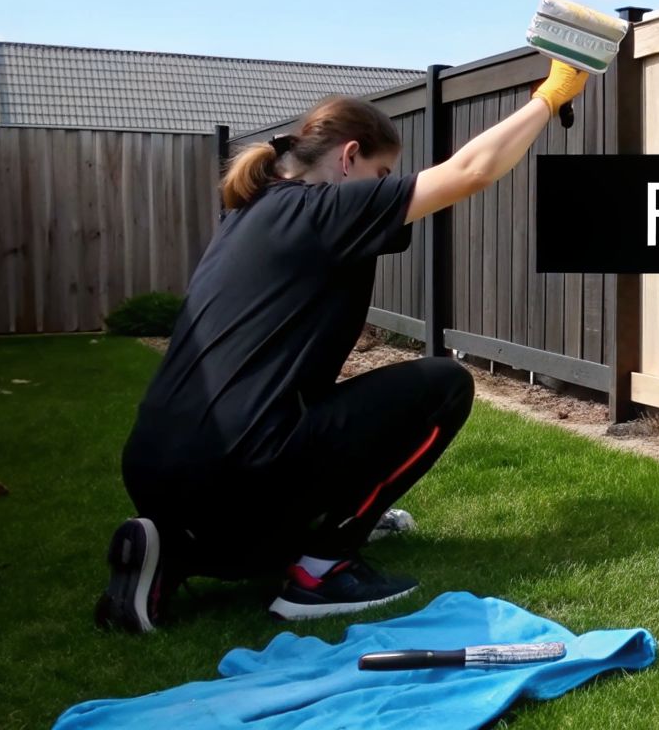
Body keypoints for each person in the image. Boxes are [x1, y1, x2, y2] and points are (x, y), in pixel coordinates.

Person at [96, 60, 589, 632]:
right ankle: (321, 570)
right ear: (348, 157)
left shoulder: (250, 215)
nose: (385, 188)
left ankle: (168, 555)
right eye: (382, 173)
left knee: (270, 457)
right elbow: (473, 171)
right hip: (238, 466)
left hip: (154, 467)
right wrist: (549, 98)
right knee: (442, 385)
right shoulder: (321, 211)